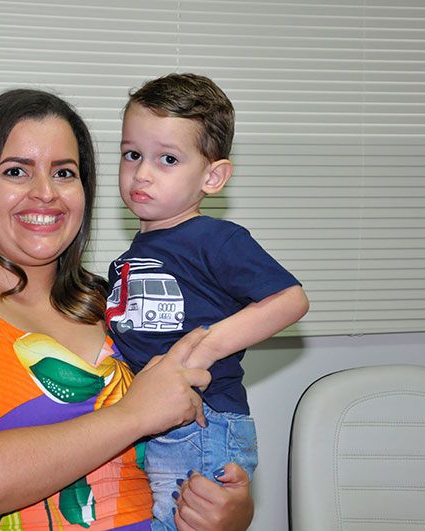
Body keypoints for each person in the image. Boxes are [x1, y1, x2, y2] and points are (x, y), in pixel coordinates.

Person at [0, 88, 254, 531]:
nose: (45, 193)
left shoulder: (113, 305)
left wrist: (224, 512)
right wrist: (132, 415)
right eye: (16, 171)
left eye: (63, 173)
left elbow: (183, 450)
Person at [105, 73, 309, 530]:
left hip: (202, 419)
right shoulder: (130, 259)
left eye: (168, 159)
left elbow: (290, 299)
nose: (142, 173)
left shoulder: (214, 239)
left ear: (212, 177)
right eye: (132, 154)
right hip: (157, 420)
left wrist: (205, 348)